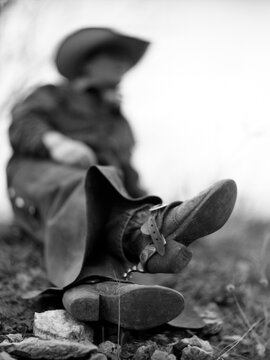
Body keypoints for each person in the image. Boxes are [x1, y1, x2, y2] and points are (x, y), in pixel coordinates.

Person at [6, 28, 237, 330]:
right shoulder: (52, 94)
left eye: (125, 60)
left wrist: (153, 206)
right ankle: (143, 236)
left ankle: (104, 290)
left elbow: (127, 175)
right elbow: (23, 122)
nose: (122, 64)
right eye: (113, 56)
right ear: (88, 63)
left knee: (107, 183)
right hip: (39, 186)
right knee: (86, 182)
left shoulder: (117, 120)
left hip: (96, 208)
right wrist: (55, 142)